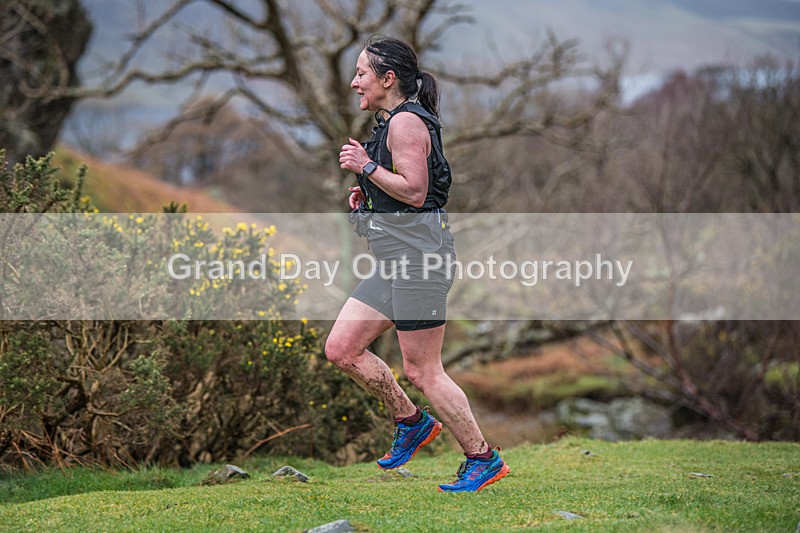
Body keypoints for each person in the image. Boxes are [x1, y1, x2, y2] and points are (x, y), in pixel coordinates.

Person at [326, 35, 510, 492]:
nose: (354, 83)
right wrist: (368, 200)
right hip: (394, 261)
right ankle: (411, 422)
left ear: (388, 79)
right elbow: (401, 197)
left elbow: (416, 191)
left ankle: (482, 458)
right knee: (342, 349)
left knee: (424, 370)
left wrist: (366, 167)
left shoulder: (406, 124)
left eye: (362, 74)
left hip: (420, 263)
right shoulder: (391, 122)